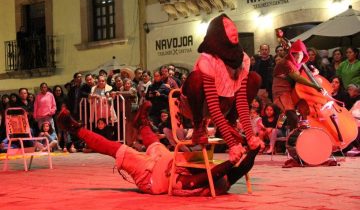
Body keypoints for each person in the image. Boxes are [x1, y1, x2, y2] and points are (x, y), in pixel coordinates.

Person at [56, 102, 260, 196]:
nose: (222, 172)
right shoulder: (225, 180)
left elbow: (206, 175)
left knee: (118, 149)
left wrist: (230, 161)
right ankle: (142, 123)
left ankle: (75, 129)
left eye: (222, 172)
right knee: (156, 144)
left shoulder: (205, 184)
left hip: (154, 179)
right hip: (171, 165)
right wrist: (254, 149)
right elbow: (242, 169)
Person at [179, 14, 263, 161]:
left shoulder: (241, 59)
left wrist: (251, 137)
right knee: (196, 78)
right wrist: (232, 145)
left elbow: (242, 101)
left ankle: (230, 123)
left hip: (225, 103)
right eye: (228, 29)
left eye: (233, 28)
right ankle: (199, 126)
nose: (233, 31)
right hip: (199, 105)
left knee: (254, 78)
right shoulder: (208, 60)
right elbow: (213, 107)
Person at [272, 40, 322, 130]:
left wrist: (314, 73)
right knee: (292, 116)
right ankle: (292, 137)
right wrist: (314, 86)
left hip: (292, 91)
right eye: (297, 55)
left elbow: (304, 75)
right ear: (292, 54)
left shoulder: (299, 64)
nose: (299, 57)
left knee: (300, 109)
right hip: (281, 92)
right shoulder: (286, 63)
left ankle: (282, 127)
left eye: (302, 55)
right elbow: (298, 78)